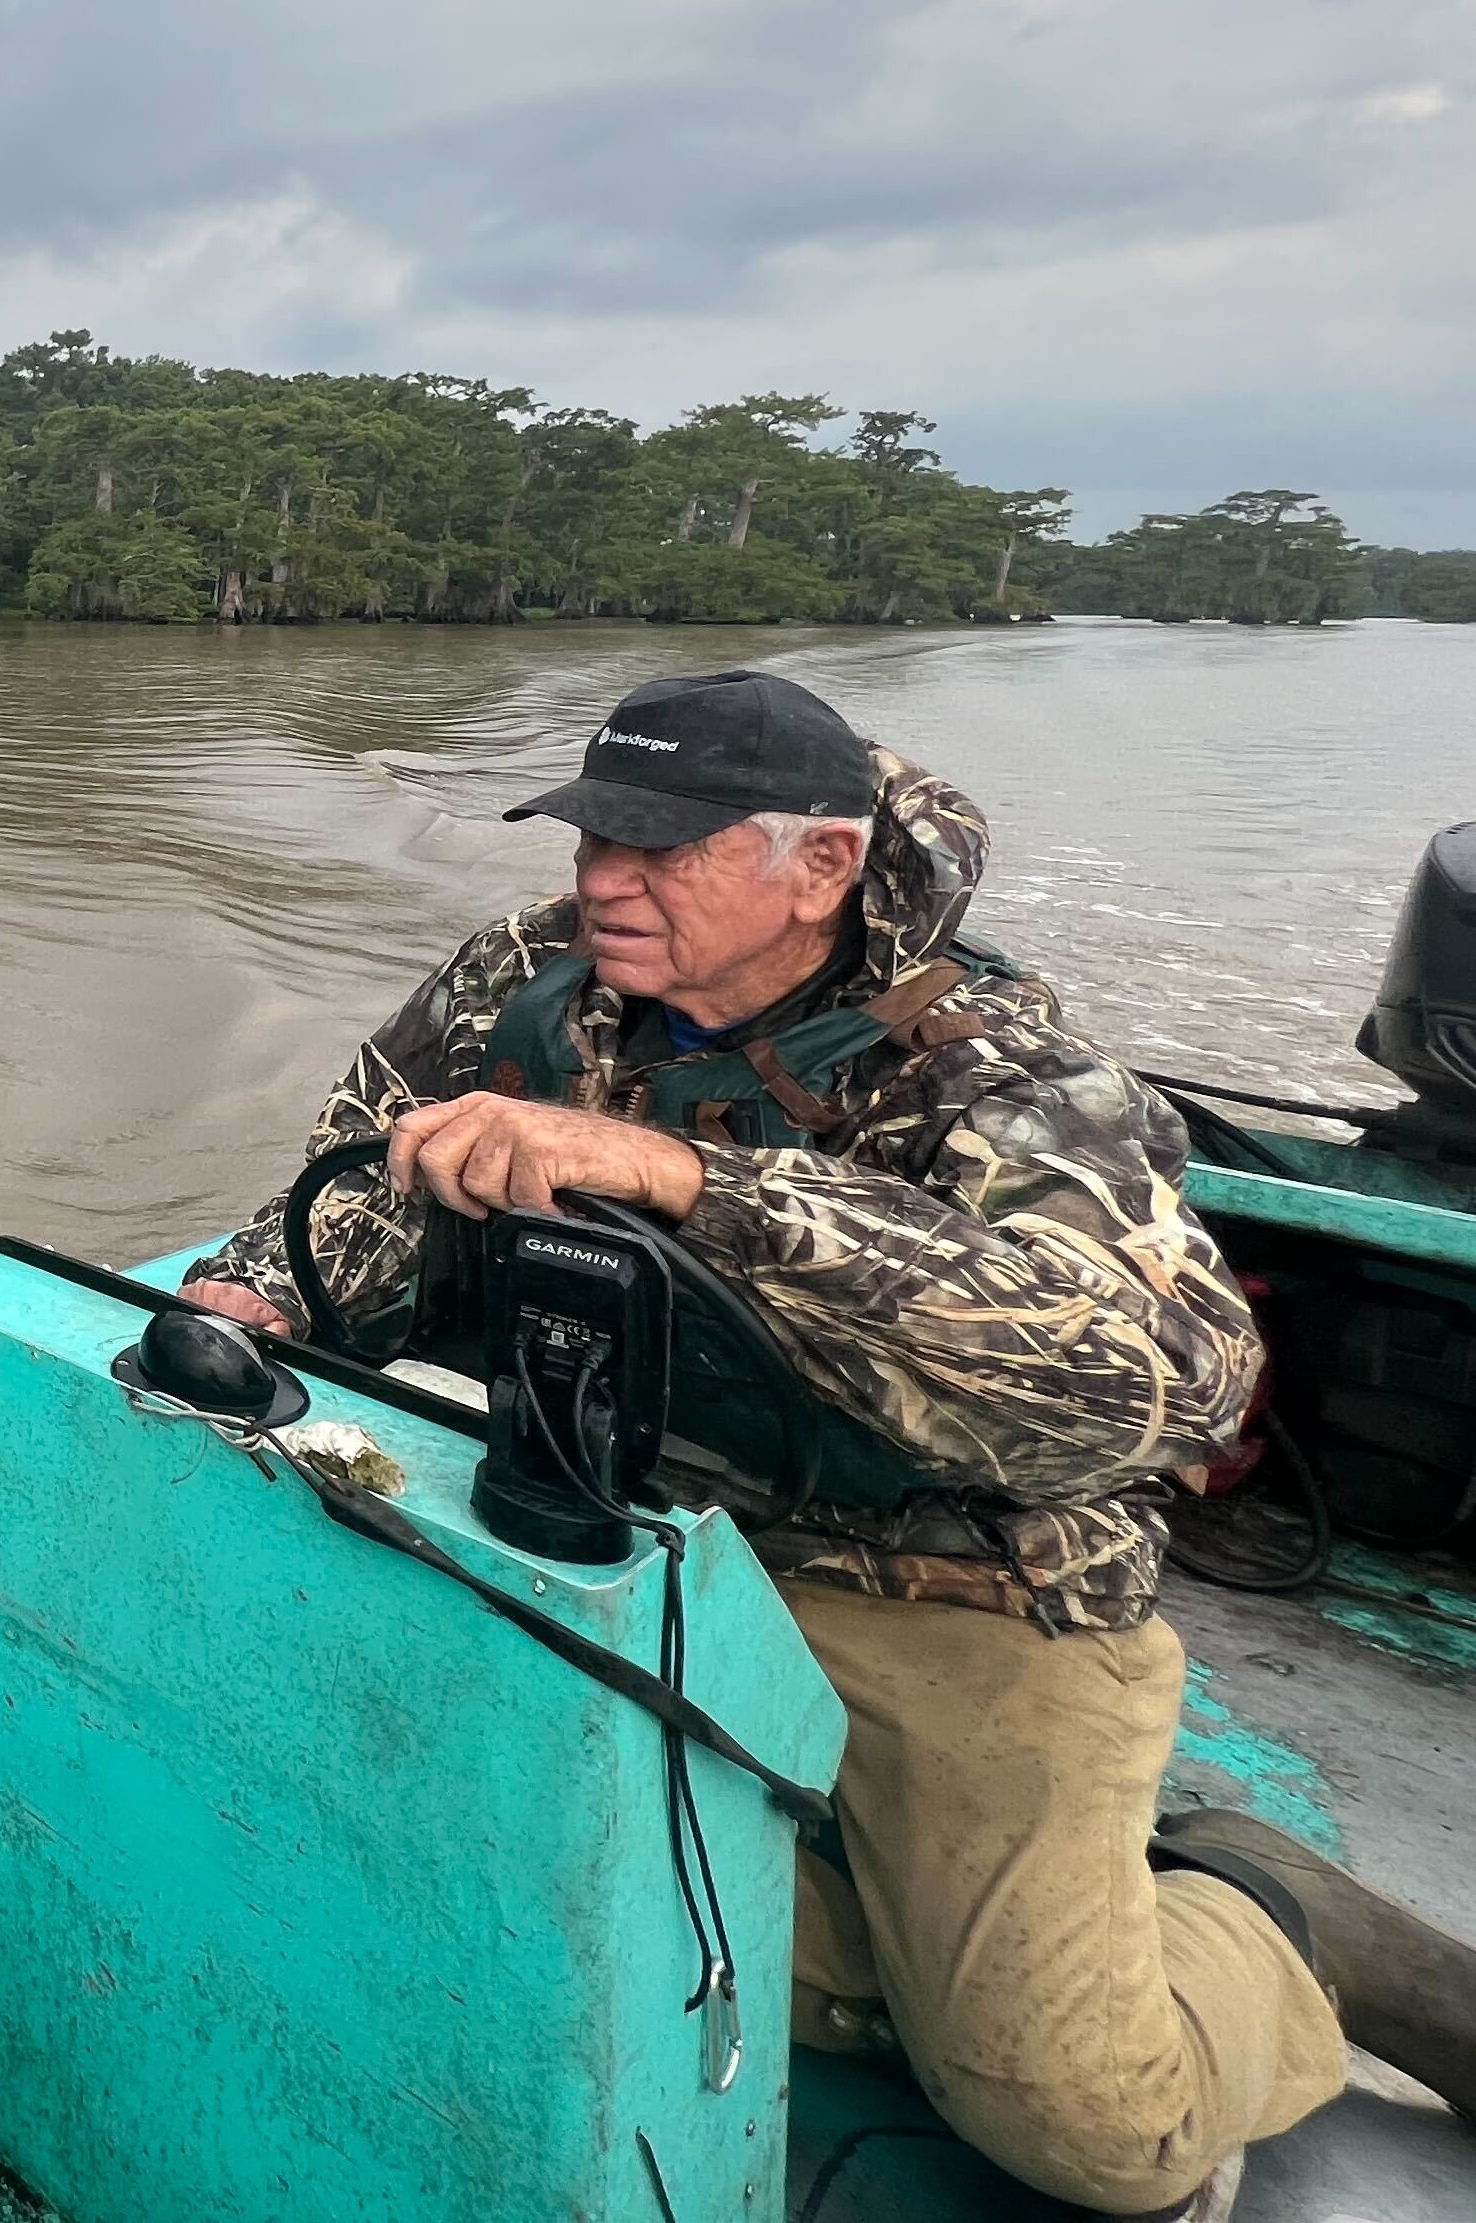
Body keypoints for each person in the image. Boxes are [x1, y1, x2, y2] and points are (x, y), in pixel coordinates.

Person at [180, 668, 1475, 2217]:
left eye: (665, 848)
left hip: (956, 1589)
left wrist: (695, 1186)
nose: (604, 880)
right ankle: (896, 1922)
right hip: (632, 1527)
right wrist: (255, 1289)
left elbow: (1167, 1389)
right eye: (596, 836)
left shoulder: (995, 1067)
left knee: (1086, 2129)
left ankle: (1274, 1910)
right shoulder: (527, 980)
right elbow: (372, 1162)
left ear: (821, 868)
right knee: (456, 1853)